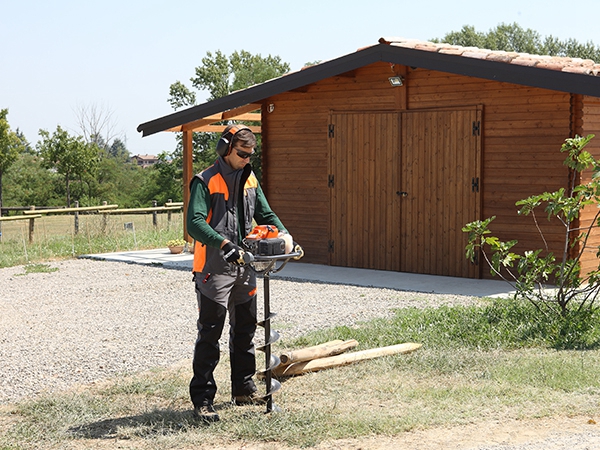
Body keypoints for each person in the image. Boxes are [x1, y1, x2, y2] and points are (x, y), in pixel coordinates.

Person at [186, 124, 301, 422]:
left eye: (251, 155)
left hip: (246, 265)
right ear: (224, 149)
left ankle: (243, 388)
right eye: (242, 154)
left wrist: (287, 236)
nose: (247, 160)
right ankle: (203, 399)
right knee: (210, 332)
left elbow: (266, 214)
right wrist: (223, 244)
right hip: (214, 268)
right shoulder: (205, 181)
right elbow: (194, 224)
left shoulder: (250, 180)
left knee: (246, 329)